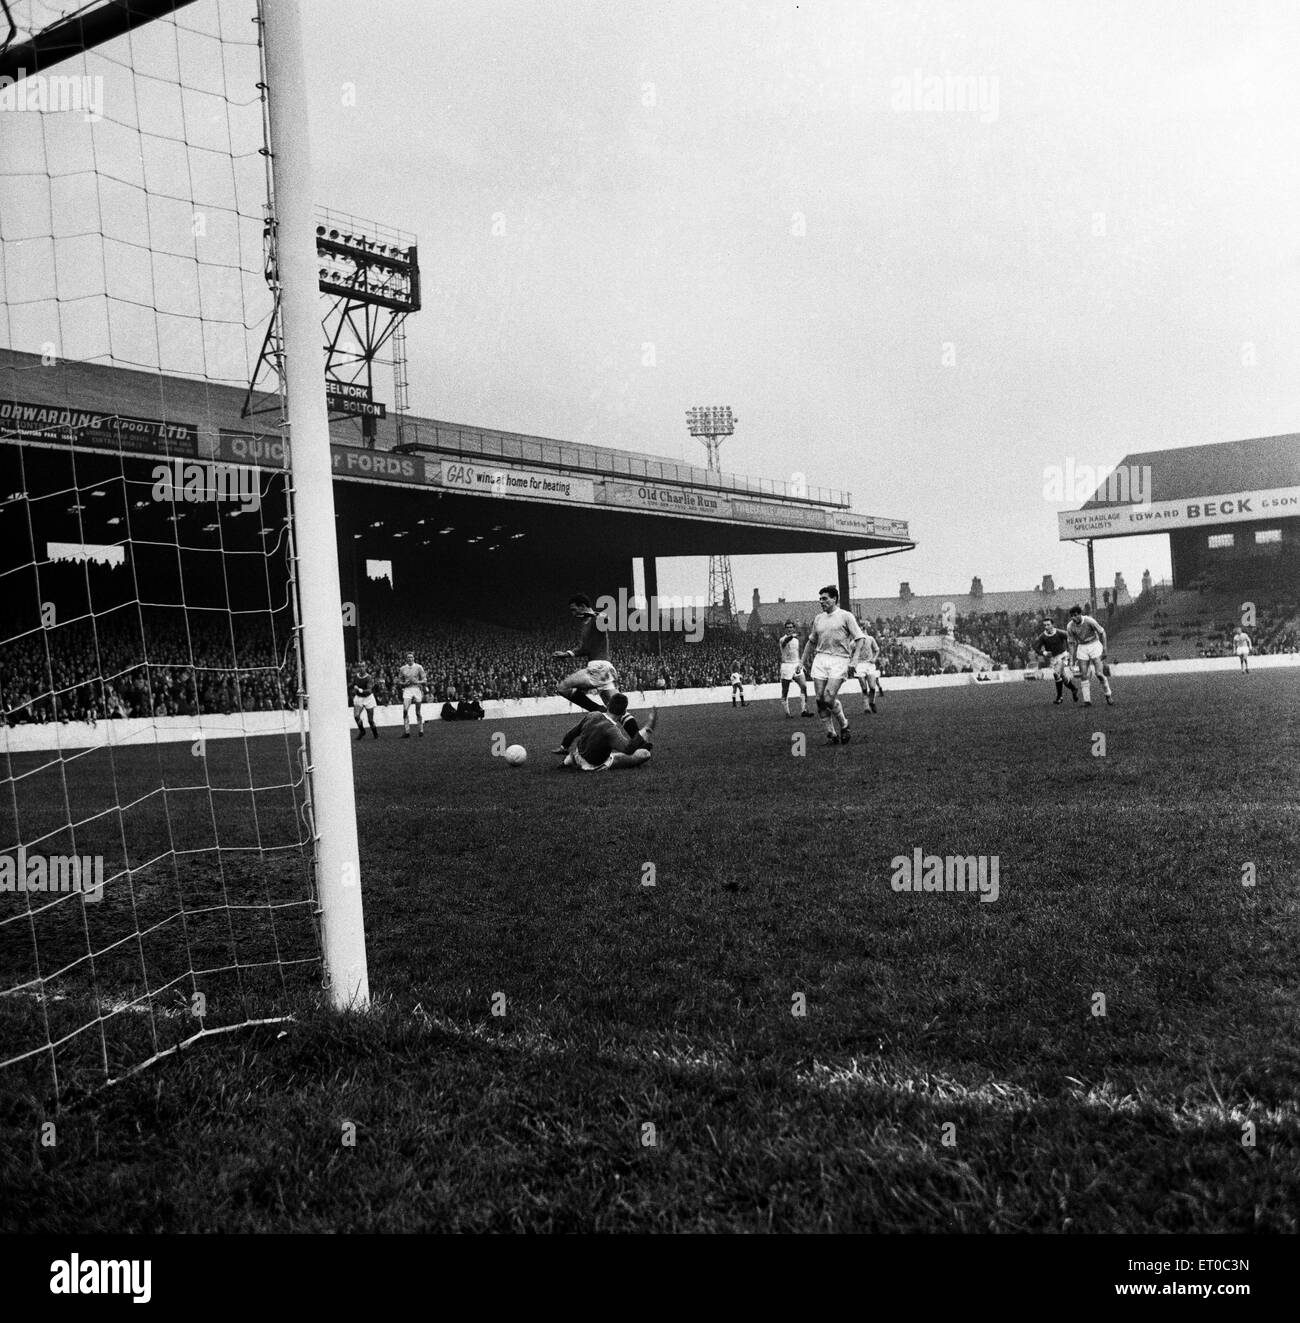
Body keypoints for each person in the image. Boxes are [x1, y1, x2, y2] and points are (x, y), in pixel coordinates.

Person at [800, 584, 866, 744]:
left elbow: (860, 638)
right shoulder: (818, 619)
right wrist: (801, 662)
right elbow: (811, 641)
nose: (821, 602)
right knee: (819, 699)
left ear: (834, 598)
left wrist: (855, 658)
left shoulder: (845, 616)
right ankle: (831, 733)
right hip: (821, 659)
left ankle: (844, 724)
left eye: (825, 598)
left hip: (839, 659)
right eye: (820, 599)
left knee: (828, 698)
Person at [557, 694, 657, 771]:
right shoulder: (611, 730)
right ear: (623, 712)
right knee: (645, 754)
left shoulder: (592, 714)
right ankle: (579, 761)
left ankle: (568, 760)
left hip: (578, 755)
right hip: (593, 766)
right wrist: (647, 728)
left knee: (590, 749)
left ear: (608, 705)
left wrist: (564, 746)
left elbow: (573, 732)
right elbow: (628, 749)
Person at [554, 593, 618, 712]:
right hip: (604, 671)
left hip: (598, 667)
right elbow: (585, 649)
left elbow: (607, 620)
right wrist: (567, 654)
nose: (573, 614)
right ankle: (637, 731)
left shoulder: (595, 620)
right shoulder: (586, 625)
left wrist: (593, 613)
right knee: (617, 710)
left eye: (574, 610)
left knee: (563, 688)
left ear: (583, 606)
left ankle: (598, 710)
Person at [1066, 605, 1114, 707]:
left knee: (1099, 674)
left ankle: (1108, 694)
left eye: (1075, 615)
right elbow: (1071, 643)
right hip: (1082, 647)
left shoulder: (1089, 621)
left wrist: (1105, 649)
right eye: (1071, 616)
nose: (1073, 618)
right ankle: (1087, 701)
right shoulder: (1070, 626)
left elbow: (1102, 632)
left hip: (1094, 645)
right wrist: (1071, 660)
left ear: (1080, 614)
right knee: (1083, 675)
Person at [1033, 617, 1078, 704]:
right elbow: (1035, 647)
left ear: (1052, 625)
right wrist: (1044, 653)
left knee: (1056, 673)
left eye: (1048, 624)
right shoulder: (1043, 636)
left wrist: (1071, 651)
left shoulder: (1059, 632)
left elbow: (1071, 638)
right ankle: (1073, 689)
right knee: (1063, 678)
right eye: (1045, 625)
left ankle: (1059, 697)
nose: (1046, 627)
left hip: (1063, 656)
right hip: (1054, 659)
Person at [777, 620, 812, 717]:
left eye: (791, 627)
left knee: (804, 686)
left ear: (793, 628)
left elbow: (797, 652)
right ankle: (787, 713)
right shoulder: (782, 639)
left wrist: (801, 663)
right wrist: (792, 636)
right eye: (787, 627)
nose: (789, 629)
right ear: (785, 629)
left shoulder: (796, 640)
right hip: (786, 666)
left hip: (796, 664)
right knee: (785, 690)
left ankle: (804, 710)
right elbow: (784, 643)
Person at [398, 649, 427, 737]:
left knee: (417, 712)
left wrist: (417, 682)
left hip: (416, 689)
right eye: (408, 657)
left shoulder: (419, 667)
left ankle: (421, 730)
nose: (410, 659)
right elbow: (399, 681)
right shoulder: (402, 668)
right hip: (407, 690)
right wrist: (404, 683)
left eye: (411, 657)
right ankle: (407, 732)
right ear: (406, 659)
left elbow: (425, 680)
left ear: (414, 658)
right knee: (405, 710)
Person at [854, 629, 883, 714]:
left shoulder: (870, 639)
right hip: (860, 665)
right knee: (864, 687)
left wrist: (874, 658)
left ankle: (872, 702)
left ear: (865, 631)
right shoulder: (855, 641)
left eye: (863, 630)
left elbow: (877, 650)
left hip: (870, 665)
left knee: (872, 687)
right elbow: (849, 651)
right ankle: (866, 707)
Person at [351, 661, 380, 738]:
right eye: (360, 666)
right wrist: (354, 687)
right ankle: (362, 731)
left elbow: (369, 691)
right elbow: (354, 684)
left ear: (365, 667)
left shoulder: (369, 677)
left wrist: (360, 689)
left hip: (368, 698)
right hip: (359, 698)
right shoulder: (356, 676)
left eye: (363, 666)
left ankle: (375, 734)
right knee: (356, 716)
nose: (361, 668)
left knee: (370, 720)